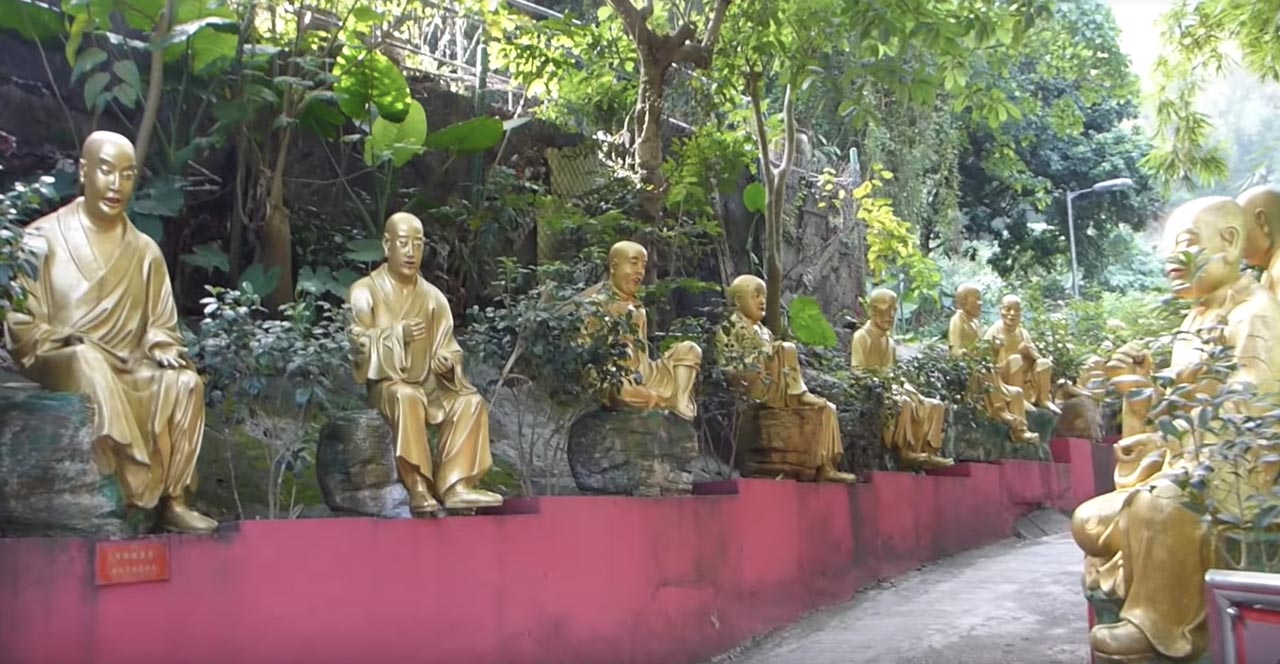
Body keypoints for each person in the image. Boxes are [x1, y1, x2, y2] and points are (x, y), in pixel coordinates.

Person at [5, 131, 215, 532]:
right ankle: (134, 482)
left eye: (127, 175)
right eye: (106, 172)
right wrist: (65, 337)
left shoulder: (144, 251)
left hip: (129, 365)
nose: (116, 185)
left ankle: (173, 500)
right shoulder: (40, 238)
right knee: (88, 360)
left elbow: (161, 324)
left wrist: (160, 344)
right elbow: (21, 326)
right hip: (64, 356)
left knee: (186, 384)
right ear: (84, 172)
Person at [348, 212, 502, 515]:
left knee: (470, 402)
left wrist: (448, 363)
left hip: (431, 382)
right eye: (403, 244)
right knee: (407, 396)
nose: (410, 252)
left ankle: (455, 485)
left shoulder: (433, 298)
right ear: (386, 245)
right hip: (389, 385)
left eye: (417, 245)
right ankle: (417, 484)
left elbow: (449, 347)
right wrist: (396, 335)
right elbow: (358, 345)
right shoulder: (364, 291)